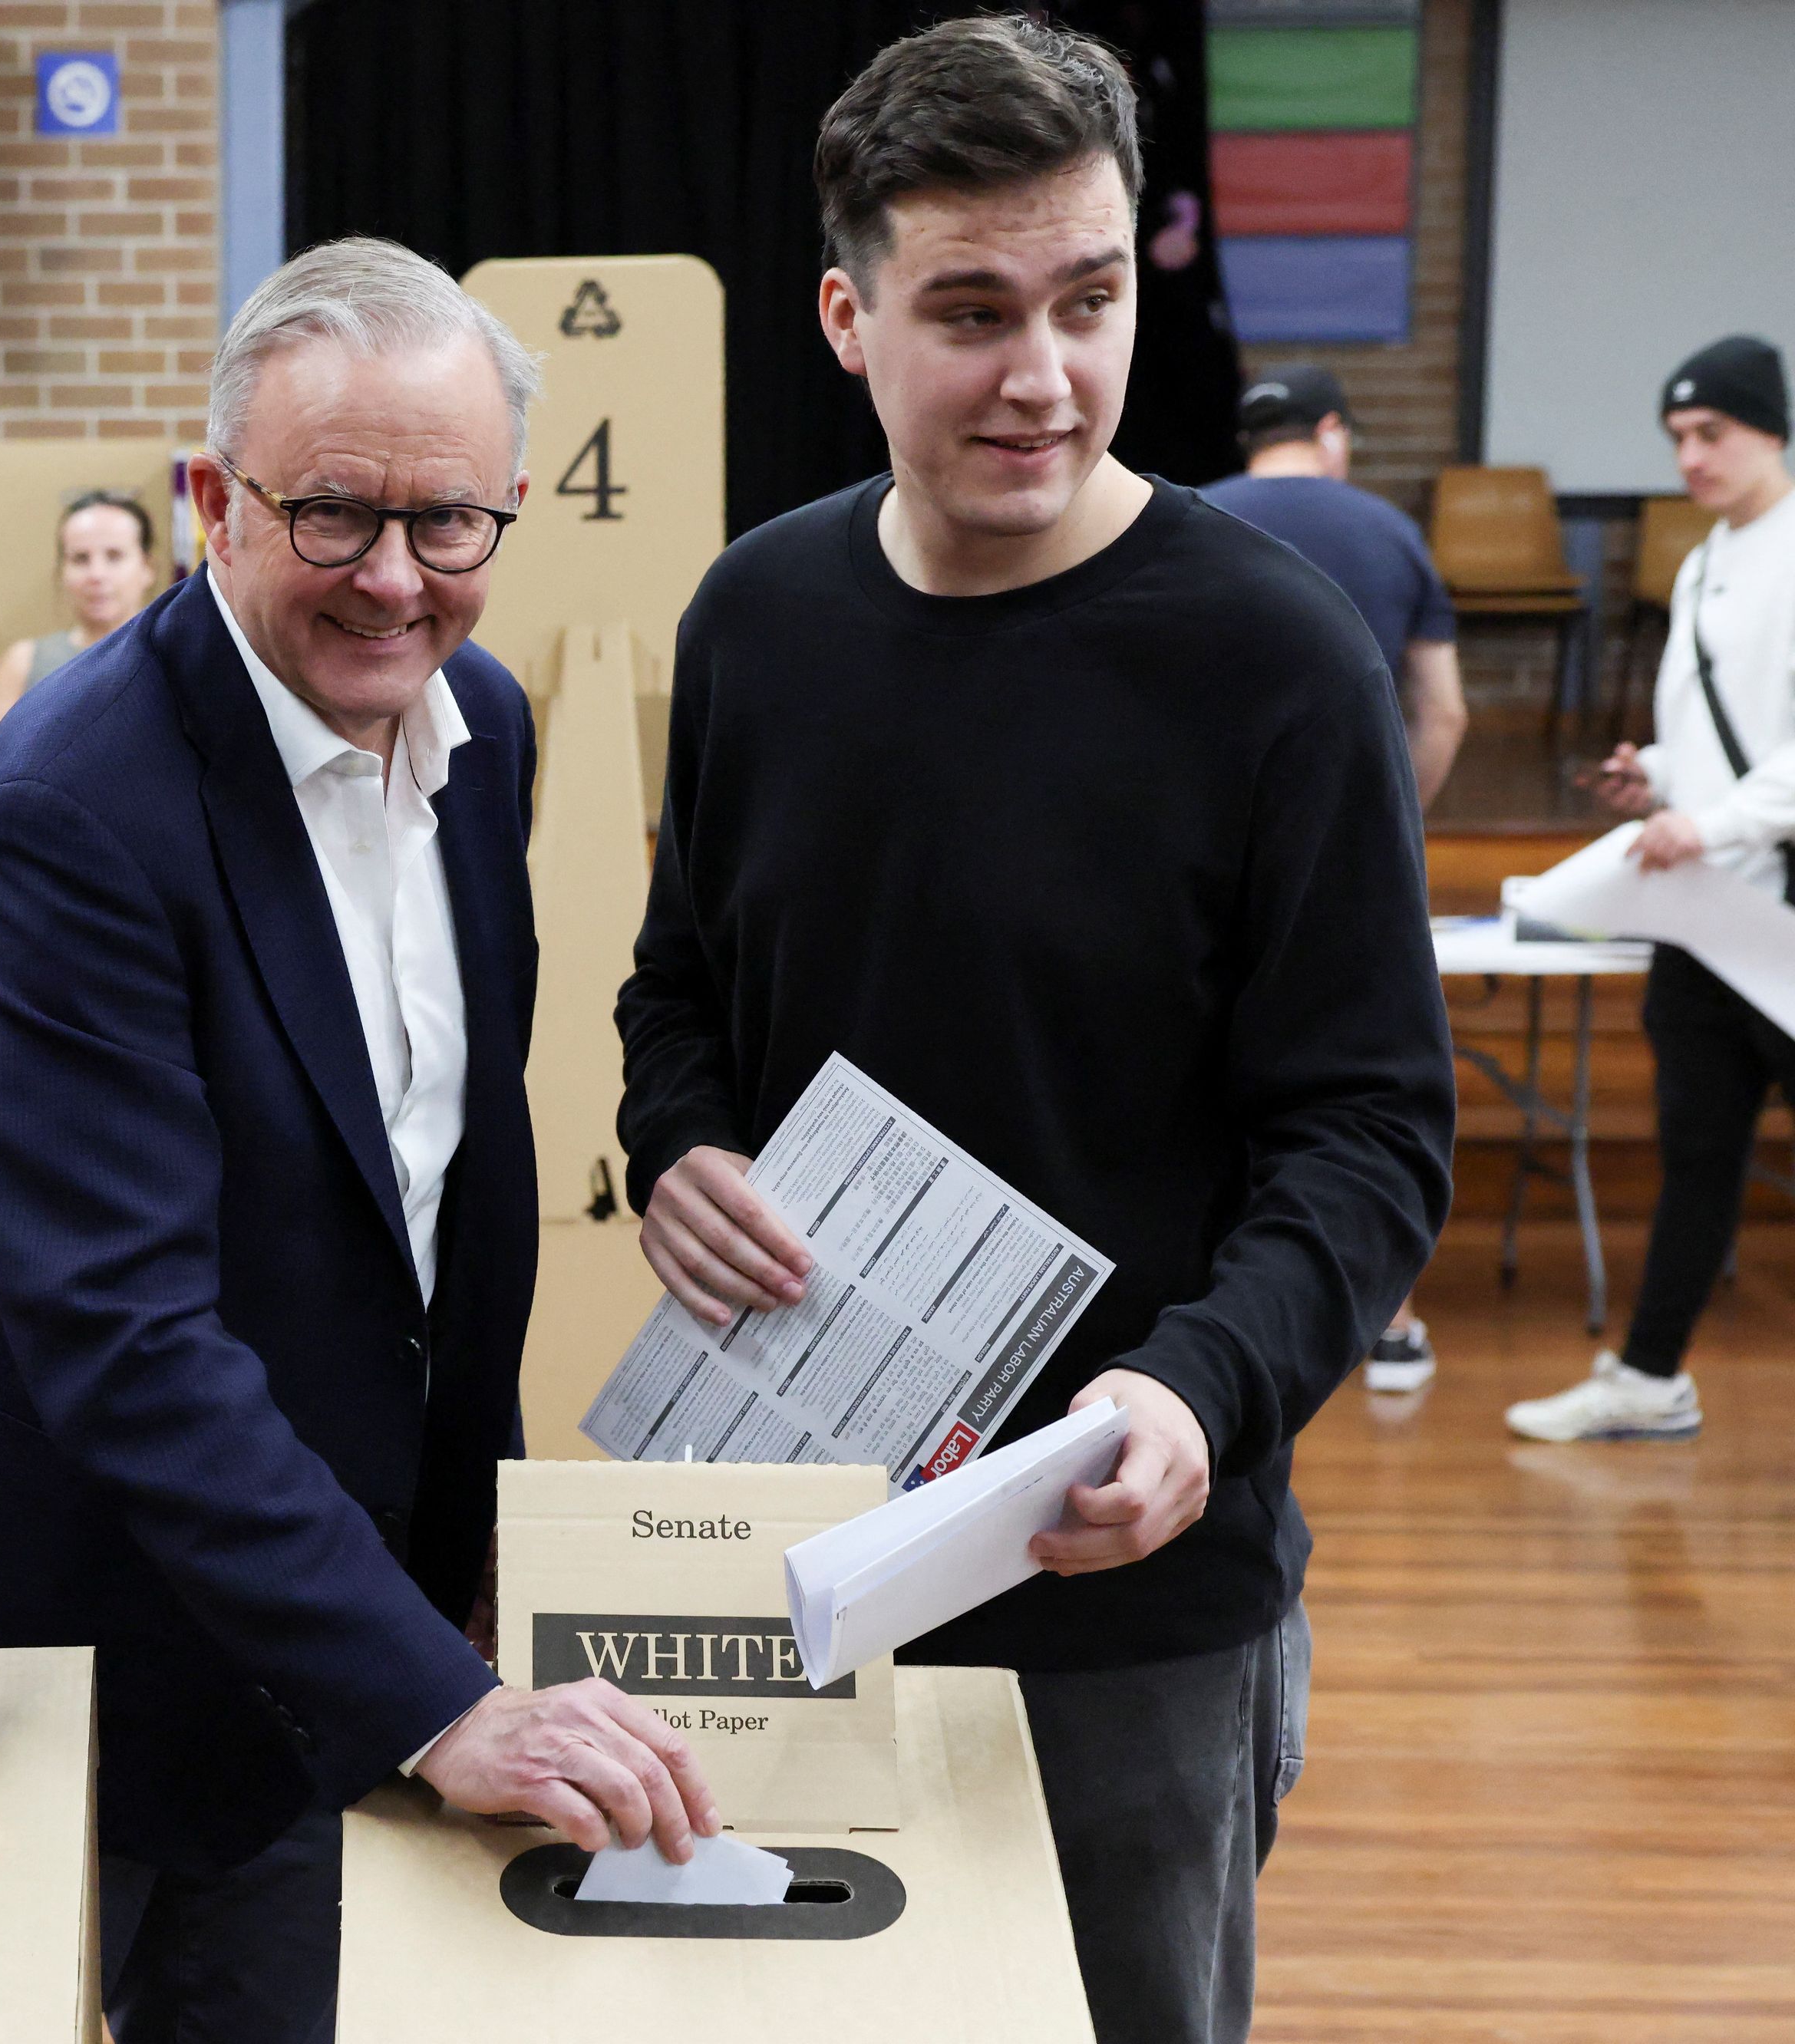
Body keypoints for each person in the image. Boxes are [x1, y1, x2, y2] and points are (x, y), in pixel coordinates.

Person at [614, 23, 1452, 2044]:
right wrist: (678, 1142)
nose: (1048, 376)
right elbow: (683, 987)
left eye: (1090, 304)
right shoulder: (756, 620)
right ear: (847, 316)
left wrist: (1198, 1394)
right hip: (793, 1555)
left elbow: (1370, 1134)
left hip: (1129, 1589)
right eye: (972, 314)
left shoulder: (1278, 662)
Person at [0, 237, 718, 2044]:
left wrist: (468, 1556)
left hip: (329, 1613)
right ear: (210, 499)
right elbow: (124, 1332)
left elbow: (448, 1187)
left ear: (509, 509)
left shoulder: (482, 717)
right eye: (331, 515)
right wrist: (432, 1696)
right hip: (74, 1622)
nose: (394, 580)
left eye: (449, 523)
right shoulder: (72, 808)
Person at [1508, 335, 1795, 1445]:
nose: (1690, 457)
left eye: (1711, 433)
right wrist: (1661, 776)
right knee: (1697, 1156)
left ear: (1769, 429)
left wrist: (1708, 818)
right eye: (1678, 437)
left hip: (1771, 907)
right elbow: (1728, 743)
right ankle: (1650, 1378)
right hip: (1705, 922)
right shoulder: (1703, 560)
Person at [1202, 362, 1467, 1394]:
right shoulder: (1390, 532)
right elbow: (1443, 709)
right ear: (1333, 434)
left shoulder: (1187, 522)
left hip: (1202, 871)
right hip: (1343, 883)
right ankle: (1387, 1321)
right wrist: (1385, 834)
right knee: (1358, 1098)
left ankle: (1227, 1334)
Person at [0, 486, 160, 767]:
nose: (97, 575)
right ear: (61, 571)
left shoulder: (177, 658)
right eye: (81, 559)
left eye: (114, 556)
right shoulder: (25, 663)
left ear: (147, 567)